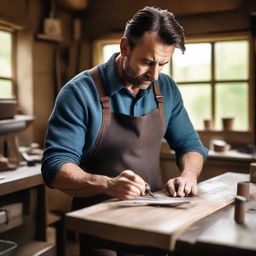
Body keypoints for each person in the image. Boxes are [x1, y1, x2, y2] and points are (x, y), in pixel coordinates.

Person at [42, 6, 208, 256]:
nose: (154, 74)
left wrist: (189, 176)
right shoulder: (79, 92)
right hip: (99, 224)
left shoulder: (166, 89)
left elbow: (190, 145)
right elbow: (55, 166)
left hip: (153, 220)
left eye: (163, 64)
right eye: (147, 62)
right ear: (125, 47)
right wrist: (108, 184)